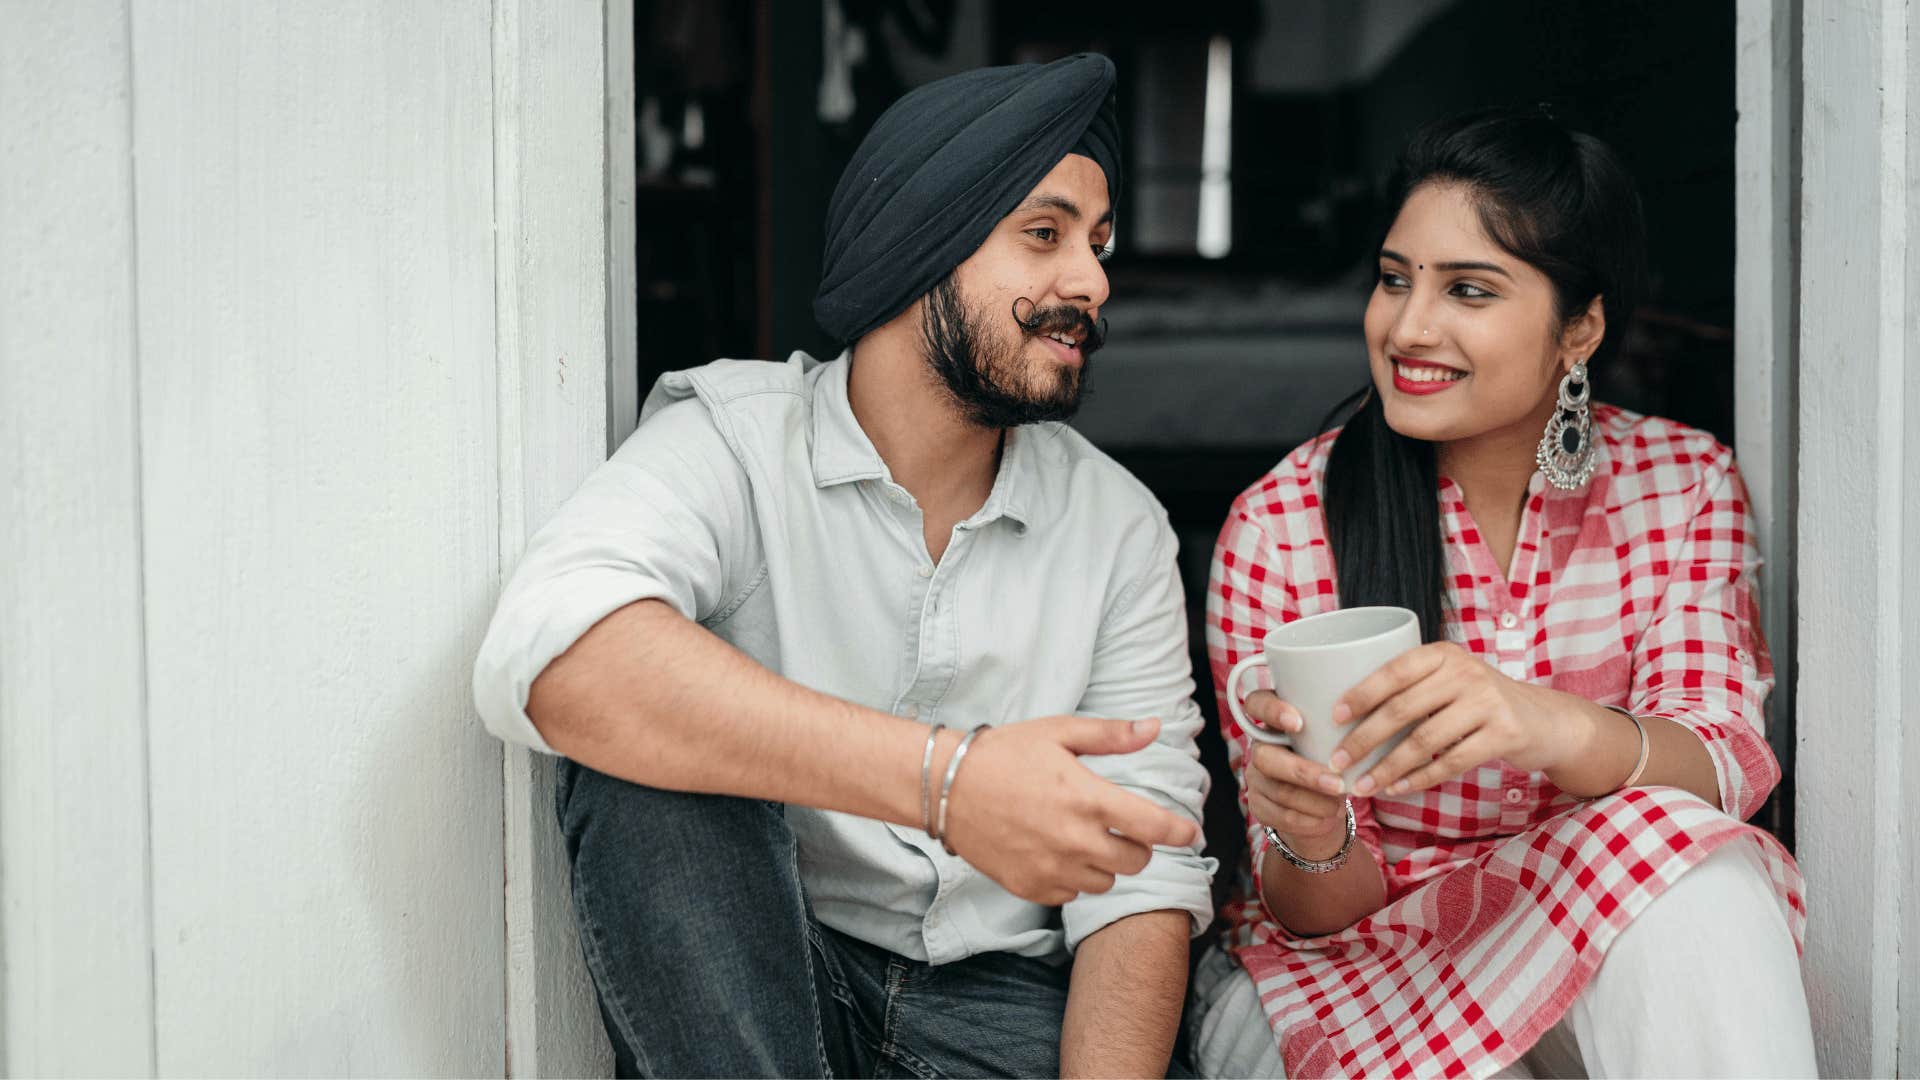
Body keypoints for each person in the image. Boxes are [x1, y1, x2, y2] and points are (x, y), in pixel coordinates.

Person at [471, 53, 1216, 1079]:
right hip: (772, 971)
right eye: (1043, 234)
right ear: (922, 246)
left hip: (1004, 1001)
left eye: (1097, 243)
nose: (1091, 280)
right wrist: (946, 784)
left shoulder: (1118, 525)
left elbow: (1146, 876)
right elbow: (552, 651)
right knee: (647, 773)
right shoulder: (732, 440)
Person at [1188, 108, 1815, 1079]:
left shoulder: (1680, 481)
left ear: (1581, 328)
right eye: (1395, 279)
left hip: (1596, 923)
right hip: (1352, 969)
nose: (1407, 327)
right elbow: (1315, 908)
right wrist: (1309, 835)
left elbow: (1725, 766)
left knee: (1699, 869)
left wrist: (1547, 726)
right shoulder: (1282, 527)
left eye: (1469, 290)